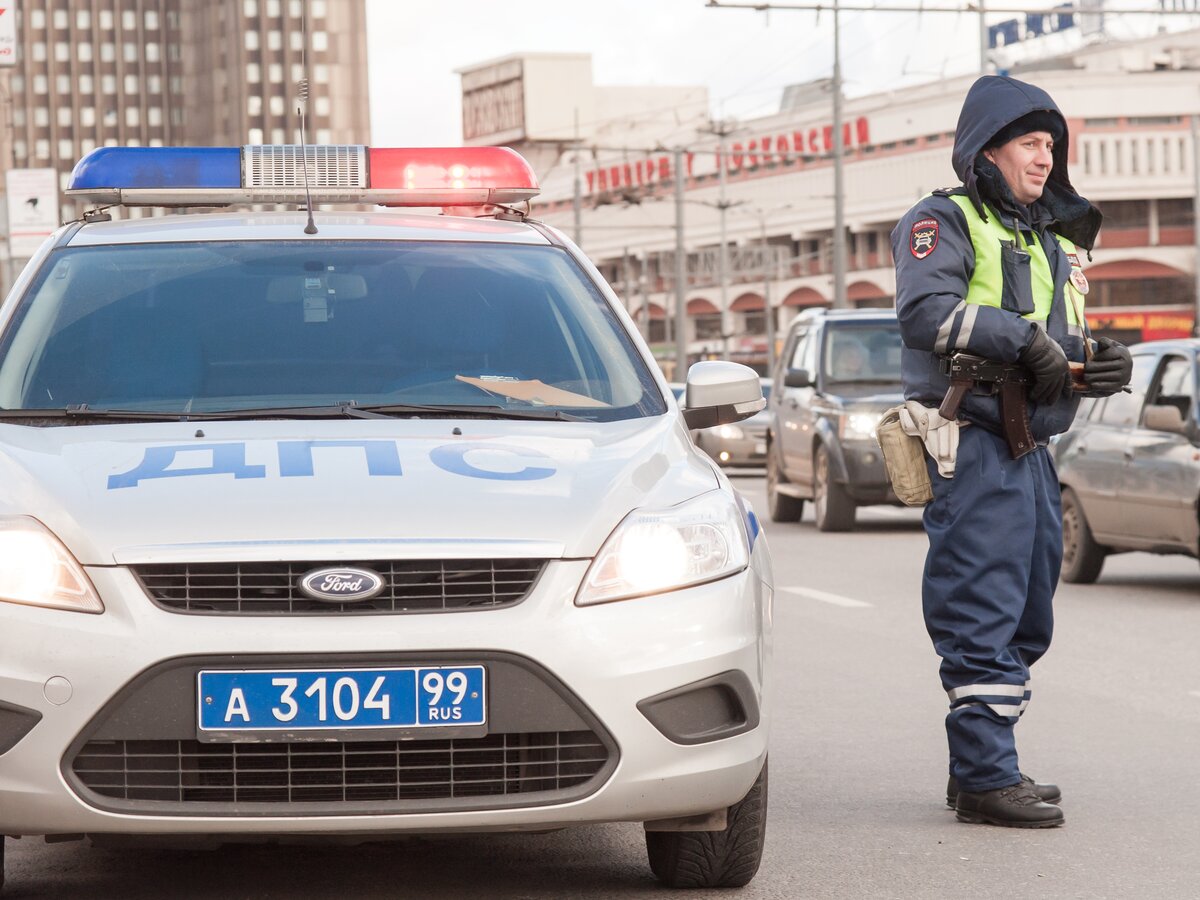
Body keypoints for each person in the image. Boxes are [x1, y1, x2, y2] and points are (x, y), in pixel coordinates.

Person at [889, 75, 1133, 828]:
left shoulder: (1044, 235)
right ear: (986, 150)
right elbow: (926, 312)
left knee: (1029, 616)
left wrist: (1096, 362)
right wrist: (1023, 340)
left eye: (1051, 144)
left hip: (1032, 449)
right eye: (1030, 142)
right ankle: (988, 776)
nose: (1045, 156)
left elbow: (1054, 347)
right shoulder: (942, 219)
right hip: (975, 443)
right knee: (982, 609)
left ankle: (983, 766)